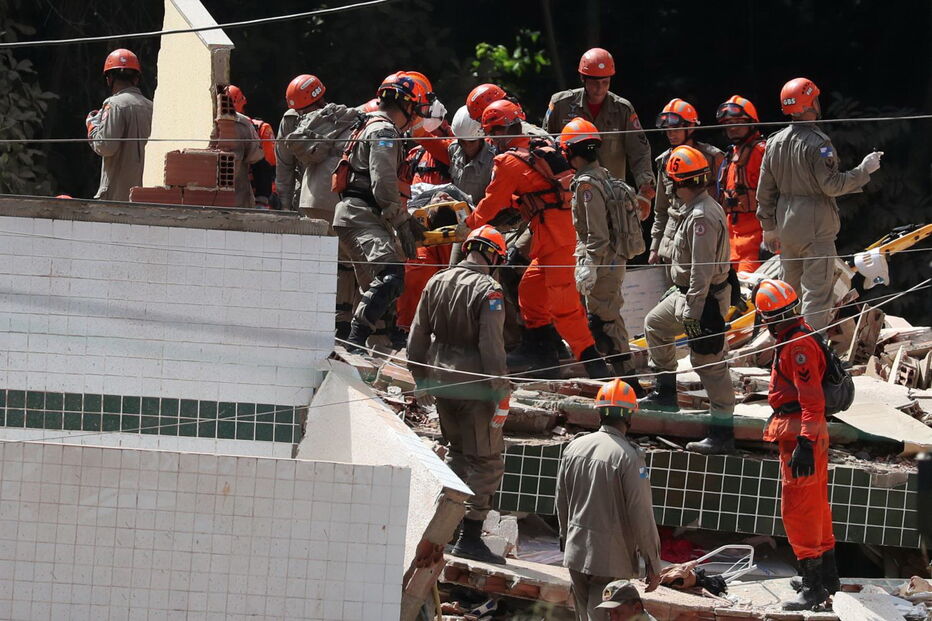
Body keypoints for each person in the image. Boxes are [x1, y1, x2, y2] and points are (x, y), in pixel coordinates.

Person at [465, 99, 611, 379]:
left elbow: (490, 205)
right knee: (530, 291)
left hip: (559, 240)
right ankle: (542, 354)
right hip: (558, 235)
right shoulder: (539, 146)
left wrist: (467, 225)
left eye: (492, 134)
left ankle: (596, 368)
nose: (491, 141)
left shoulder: (508, 161)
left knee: (565, 310)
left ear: (499, 132)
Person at [407, 225, 511, 565]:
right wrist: (502, 393)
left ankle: (443, 527)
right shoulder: (489, 290)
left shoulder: (437, 281)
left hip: (441, 384)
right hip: (475, 390)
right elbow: (491, 348)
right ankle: (469, 536)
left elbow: (417, 333)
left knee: (456, 454)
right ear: (494, 255)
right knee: (487, 461)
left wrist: (420, 378)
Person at [757, 77, 882, 331]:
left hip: (786, 224)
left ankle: (786, 348)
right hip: (815, 226)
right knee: (816, 295)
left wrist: (768, 227)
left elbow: (765, 190)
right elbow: (832, 185)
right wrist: (863, 170)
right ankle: (810, 350)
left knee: (788, 293)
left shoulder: (774, 142)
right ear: (809, 104)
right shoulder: (819, 144)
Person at [640, 146, 735, 454]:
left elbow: (702, 270)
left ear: (679, 183)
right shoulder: (693, 208)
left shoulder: (701, 216)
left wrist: (693, 311)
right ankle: (665, 392)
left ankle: (723, 431)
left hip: (703, 299)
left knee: (707, 361)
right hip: (685, 294)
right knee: (655, 323)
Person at [755, 279, 839, 611]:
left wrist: (804, 441)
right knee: (817, 506)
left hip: (801, 434)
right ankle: (828, 576)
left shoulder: (797, 346)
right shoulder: (799, 334)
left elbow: (812, 401)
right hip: (806, 433)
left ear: (772, 318)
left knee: (799, 510)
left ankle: (813, 586)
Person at [334, 73, 427, 353]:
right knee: (390, 276)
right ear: (407, 105)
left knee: (378, 292)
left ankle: (375, 345)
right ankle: (354, 343)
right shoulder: (384, 131)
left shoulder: (372, 126)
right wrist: (402, 221)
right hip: (360, 215)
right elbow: (383, 182)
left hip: (360, 215)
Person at [556, 379, 662, 620]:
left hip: (576, 552)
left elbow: (561, 501)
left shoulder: (574, 447)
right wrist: (653, 564)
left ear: (599, 414)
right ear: (629, 417)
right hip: (610, 561)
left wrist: (566, 538)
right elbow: (641, 513)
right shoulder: (629, 457)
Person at [561, 117, 646, 395]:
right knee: (608, 318)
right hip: (613, 260)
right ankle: (624, 381)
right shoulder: (605, 176)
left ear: (571, 151)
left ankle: (628, 385)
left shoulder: (587, 186)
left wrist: (589, 266)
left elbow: (596, 236)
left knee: (605, 323)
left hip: (603, 263)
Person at [544, 48, 655, 214]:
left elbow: (640, 152)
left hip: (613, 199)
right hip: (569, 198)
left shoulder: (622, 109)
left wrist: (645, 192)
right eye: (594, 82)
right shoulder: (561, 105)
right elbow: (545, 146)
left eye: (605, 82)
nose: (600, 89)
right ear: (583, 79)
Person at [649, 98, 723, 265]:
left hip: (704, 235)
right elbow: (661, 209)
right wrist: (655, 246)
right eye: (667, 130)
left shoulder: (713, 158)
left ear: (690, 127)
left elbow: (722, 202)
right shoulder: (664, 161)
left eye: (675, 129)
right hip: (672, 241)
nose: (670, 134)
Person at [86, 48, 153, 202]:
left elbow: (105, 146)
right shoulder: (152, 107)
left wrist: (92, 127)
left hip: (116, 197)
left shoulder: (113, 104)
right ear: (136, 79)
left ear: (109, 79)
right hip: (146, 197)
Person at [715, 95, 767, 273]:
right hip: (731, 245)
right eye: (728, 122)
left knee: (750, 297)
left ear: (752, 122)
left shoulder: (763, 152)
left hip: (756, 243)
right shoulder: (730, 155)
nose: (733, 127)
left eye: (738, 121)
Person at [274, 74, 327, 212]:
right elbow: (284, 165)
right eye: (297, 110)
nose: (300, 114)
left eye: (303, 109)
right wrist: (284, 205)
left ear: (319, 102)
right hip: (303, 193)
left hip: (330, 193)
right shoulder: (290, 121)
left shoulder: (336, 120)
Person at [228, 85, 277, 208]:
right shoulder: (219, 131)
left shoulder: (261, 129)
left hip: (262, 195)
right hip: (237, 195)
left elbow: (266, 165)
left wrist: (262, 199)